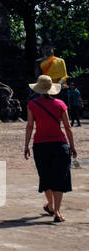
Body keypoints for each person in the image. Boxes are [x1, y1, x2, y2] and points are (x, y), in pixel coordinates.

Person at [24, 75, 77, 223]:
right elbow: (67, 127)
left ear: (38, 89)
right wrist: (72, 146)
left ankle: (52, 206)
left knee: (46, 176)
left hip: (40, 145)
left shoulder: (32, 105)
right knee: (60, 177)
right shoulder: (60, 104)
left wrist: (26, 145)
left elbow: (29, 126)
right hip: (60, 144)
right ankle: (57, 212)